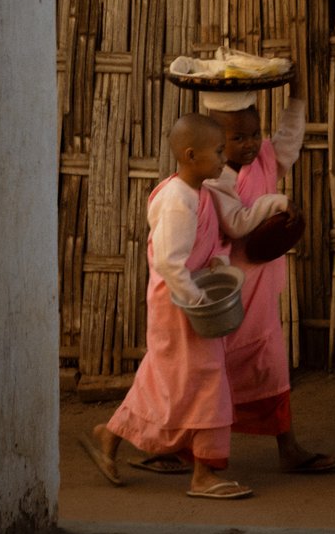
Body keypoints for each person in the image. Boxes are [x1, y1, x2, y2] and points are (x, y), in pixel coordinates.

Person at [135, 88, 335, 479]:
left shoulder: (264, 158)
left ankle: (288, 447)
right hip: (227, 290)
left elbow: (286, 145)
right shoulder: (210, 180)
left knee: (269, 365)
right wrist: (278, 203)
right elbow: (237, 222)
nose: (250, 145)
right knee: (196, 374)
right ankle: (177, 447)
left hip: (260, 288)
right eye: (237, 138)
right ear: (215, 141)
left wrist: (296, 104)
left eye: (254, 134)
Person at [83, 113, 253, 502]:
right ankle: (204, 472)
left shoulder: (202, 193)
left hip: (190, 296)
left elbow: (208, 246)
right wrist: (197, 302)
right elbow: (169, 262)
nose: (225, 158)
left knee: (167, 376)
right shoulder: (177, 200)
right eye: (219, 150)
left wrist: (218, 263)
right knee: (208, 379)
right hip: (181, 304)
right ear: (191, 155)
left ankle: (111, 434)